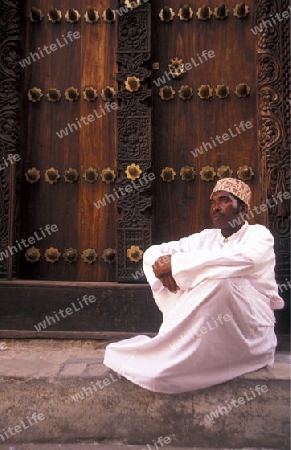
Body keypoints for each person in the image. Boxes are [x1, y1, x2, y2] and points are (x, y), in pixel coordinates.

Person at [104, 178, 284, 394]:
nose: (216, 207)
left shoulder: (259, 235)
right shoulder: (206, 238)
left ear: (243, 207)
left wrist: (177, 265)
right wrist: (166, 265)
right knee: (207, 276)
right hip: (211, 332)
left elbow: (241, 260)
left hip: (250, 330)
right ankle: (177, 354)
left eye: (224, 200)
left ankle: (187, 358)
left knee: (220, 280)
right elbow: (153, 252)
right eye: (212, 202)